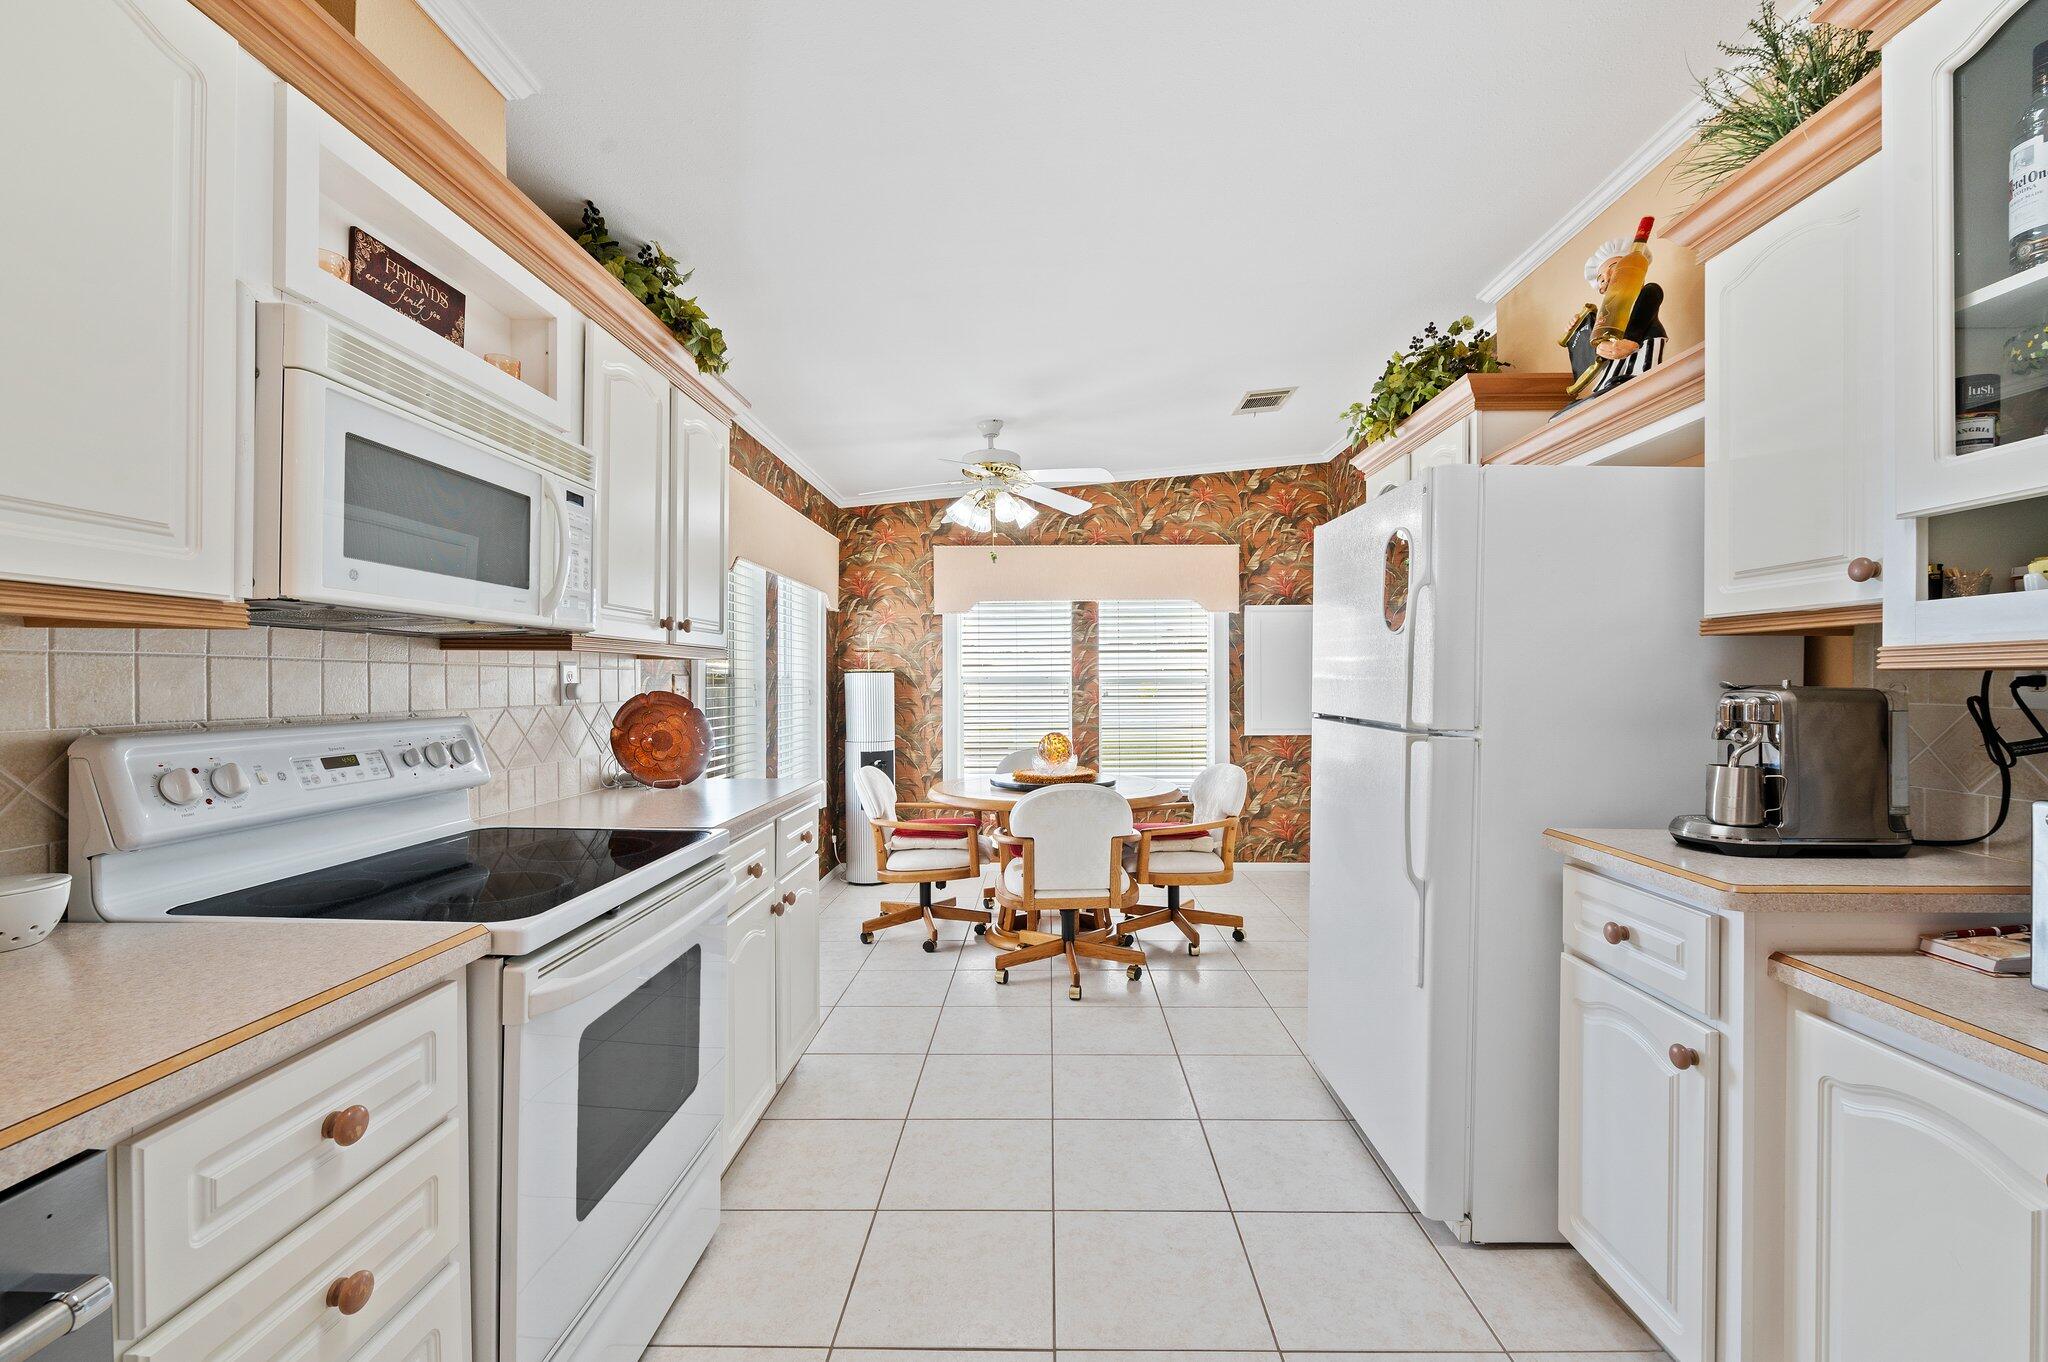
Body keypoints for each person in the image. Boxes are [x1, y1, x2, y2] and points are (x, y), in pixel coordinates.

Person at [1558, 234, 1667, 405]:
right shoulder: (1607, 318)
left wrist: (1630, 341)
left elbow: (1646, 306)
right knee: (1601, 391)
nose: (1607, 278)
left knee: (1629, 379)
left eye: (1615, 268)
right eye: (1601, 279)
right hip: (1613, 372)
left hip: (1642, 352)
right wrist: (1578, 329)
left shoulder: (1648, 291)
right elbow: (1593, 347)